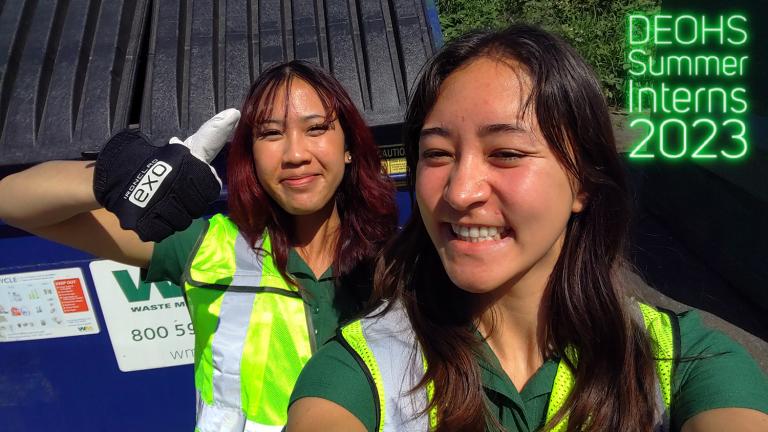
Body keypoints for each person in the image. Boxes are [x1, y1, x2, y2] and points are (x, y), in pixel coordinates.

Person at [285, 26, 768, 432]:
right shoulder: (361, 366)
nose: (459, 192)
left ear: (581, 183)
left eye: (507, 153)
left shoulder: (685, 362)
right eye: (436, 154)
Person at [0, 60, 398, 431]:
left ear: (348, 146)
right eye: (270, 133)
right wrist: (134, 176)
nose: (295, 154)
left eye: (316, 129)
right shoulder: (207, 246)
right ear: (251, 155)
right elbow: (12, 201)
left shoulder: (401, 264)